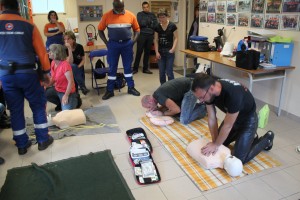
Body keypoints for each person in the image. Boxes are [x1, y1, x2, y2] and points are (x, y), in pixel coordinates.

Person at [0, 0, 53, 155]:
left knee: (15, 110)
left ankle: (22, 145)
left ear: (2, 6)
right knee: (37, 106)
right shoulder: (29, 25)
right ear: (18, 7)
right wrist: (46, 73)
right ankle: (43, 140)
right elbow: (42, 53)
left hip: (7, 75)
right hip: (28, 74)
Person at [191, 73, 274, 164]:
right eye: (199, 98)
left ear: (211, 88)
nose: (201, 101)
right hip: (233, 119)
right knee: (220, 144)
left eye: (202, 97)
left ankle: (267, 139)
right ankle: (244, 138)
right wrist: (215, 142)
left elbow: (227, 126)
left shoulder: (233, 94)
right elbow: (212, 119)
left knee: (238, 159)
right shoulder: (210, 91)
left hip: (248, 121)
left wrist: (216, 145)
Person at [98, 0, 141, 100]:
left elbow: (137, 30)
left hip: (127, 44)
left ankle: (131, 87)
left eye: (121, 8)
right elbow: (100, 30)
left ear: (123, 6)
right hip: (113, 44)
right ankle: (110, 90)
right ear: (113, 6)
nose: (119, 10)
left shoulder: (131, 15)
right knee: (112, 67)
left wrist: (132, 43)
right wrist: (106, 43)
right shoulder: (106, 16)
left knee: (127, 68)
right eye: (117, 8)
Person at [141, 77, 206, 125]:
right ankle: (195, 107)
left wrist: (162, 114)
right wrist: (159, 110)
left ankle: (203, 108)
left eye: (149, 107)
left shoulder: (160, 97)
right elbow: (167, 105)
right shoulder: (156, 95)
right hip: (186, 87)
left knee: (184, 120)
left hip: (192, 88)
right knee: (176, 114)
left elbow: (176, 110)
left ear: (150, 101)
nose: (150, 109)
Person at [46, 44, 78, 110]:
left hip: (68, 93)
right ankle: (61, 102)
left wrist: (66, 95)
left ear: (56, 53)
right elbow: (53, 78)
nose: (48, 53)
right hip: (57, 90)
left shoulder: (65, 65)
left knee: (66, 114)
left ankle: (74, 100)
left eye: (51, 51)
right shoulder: (53, 63)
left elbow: (70, 82)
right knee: (45, 94)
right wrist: (46, 85)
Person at [132, 1, 158, 75]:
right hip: (141, 35)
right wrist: (149, 23)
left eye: (147, 7)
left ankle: (145, 69)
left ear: (149, 7)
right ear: (142, 8)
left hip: (150, 35)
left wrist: (147, 23)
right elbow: (140, 23)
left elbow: (155, 25)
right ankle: (135, 68)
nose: (145, 9)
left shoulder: (152, 15)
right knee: (139, 52)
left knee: (147, 52)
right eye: (144, 7)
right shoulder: (139, 14)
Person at [154, 8, 178, 85]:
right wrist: (157, 52)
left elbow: (176, 38)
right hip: (160, 52)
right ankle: (163, 88)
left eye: (163, 17)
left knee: (169, 72)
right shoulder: (157, 26)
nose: (161, 19)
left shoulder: (172, 25)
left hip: (169, 52)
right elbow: (156, 40)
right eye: (160, 17)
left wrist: (173, 48)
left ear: (167, 16)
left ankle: (172, 88)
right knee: (161, 72)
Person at [63, 31, 89, 95]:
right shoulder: (64, 49)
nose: (66, 41)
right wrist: (69, 48)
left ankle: (78, 90)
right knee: (73, 66)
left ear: (73, 39)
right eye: (65, 39)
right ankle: (82, 87)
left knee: (75, 68)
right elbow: (70, 62)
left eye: (68, 39)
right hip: (68, 70)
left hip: (79, 67)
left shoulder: (79, 47)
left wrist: (77, 68)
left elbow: (83, 60)